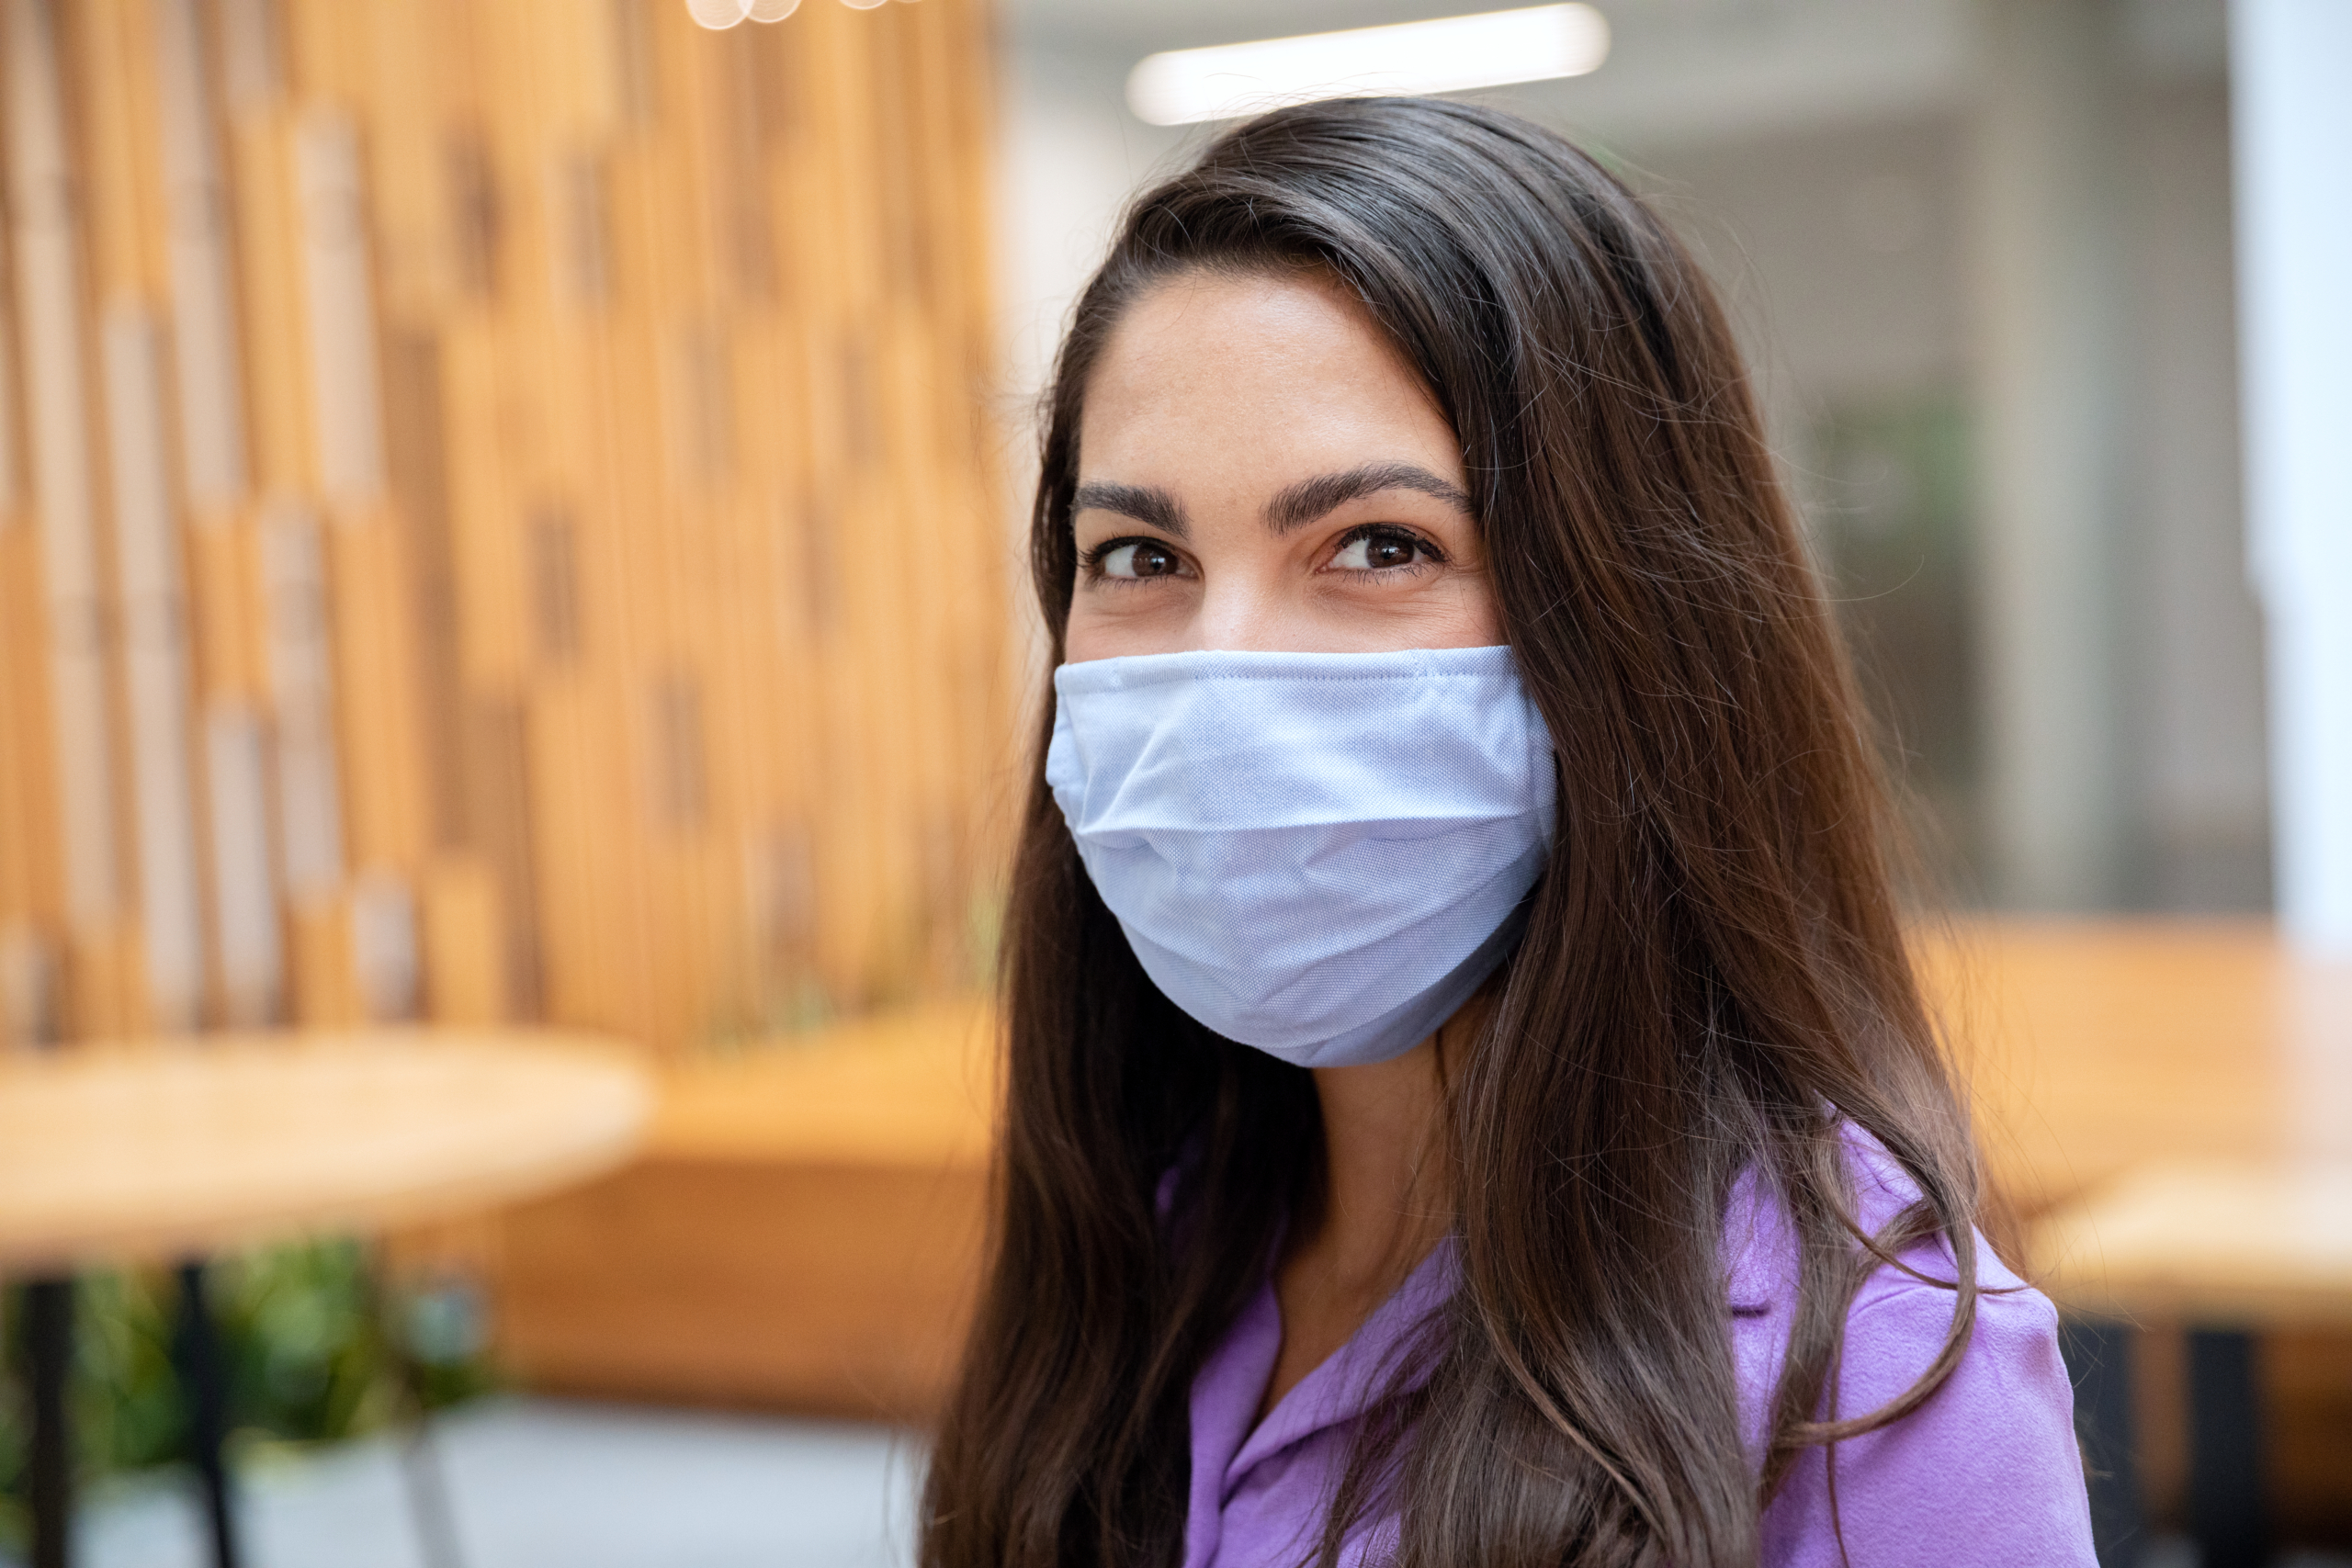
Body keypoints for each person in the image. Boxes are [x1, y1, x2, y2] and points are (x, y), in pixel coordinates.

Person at [922, 97, 2095, 1568]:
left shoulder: (1879, 1382)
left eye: (1378, 546)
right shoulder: (1147, 1240)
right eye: (1141, 557)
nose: (1225, 674)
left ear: (1630, 622)